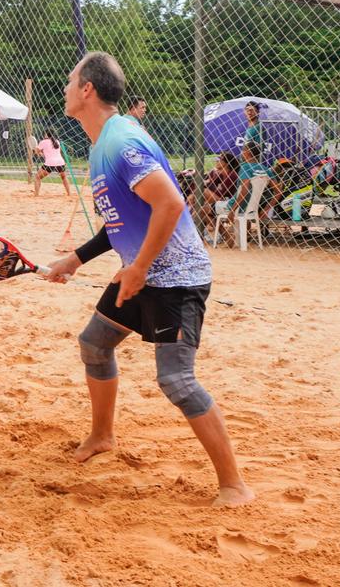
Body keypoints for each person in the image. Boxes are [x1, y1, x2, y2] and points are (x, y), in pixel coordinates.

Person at [45, 51, 254, 507]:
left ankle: (234, 485)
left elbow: (170, 205)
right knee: (95, 344)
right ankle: (102, 437)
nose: (63, 89)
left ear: (87, 90)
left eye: (69, 80)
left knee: (176, 380)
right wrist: (76, 260)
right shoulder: (102, 144)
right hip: (142, 273)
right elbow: (121, 220)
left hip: (175, 277)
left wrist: (138, 267)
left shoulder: (122, 141)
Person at [216, 141, 268, 245]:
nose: (241, 152)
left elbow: (244, 191)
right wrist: (266, 209)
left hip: (237, 206)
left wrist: (232, 210)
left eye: (243, 150)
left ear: (248, 152)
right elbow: (278, 190)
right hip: (252, 208)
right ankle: (242, 237)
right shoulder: (264, 169)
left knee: (205, 209)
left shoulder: (245, 167)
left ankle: (227, 237)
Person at [191, 152, 239, 233]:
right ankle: (198, 224)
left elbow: (221, 193)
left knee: (202, 192)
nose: (216, 162)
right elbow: (209, 185)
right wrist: (211, 177)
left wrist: (207, 184)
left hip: (230, 203)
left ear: (226, 163)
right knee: (198, 199)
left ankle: (196, 223)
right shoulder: (220, 174)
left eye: (219, 160)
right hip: (223, 200)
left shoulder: (232, 175)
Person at [33, 129, 71, 196]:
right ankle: (69, 193)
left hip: (50, 163)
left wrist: (35, 150)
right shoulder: (57, 141)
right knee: (64, 177)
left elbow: (36, 151)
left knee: (37, 177)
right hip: (60, 162)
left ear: (46, 134)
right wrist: (41, 153)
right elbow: (50, 153)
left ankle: (36, 194)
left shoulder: (43, 142)